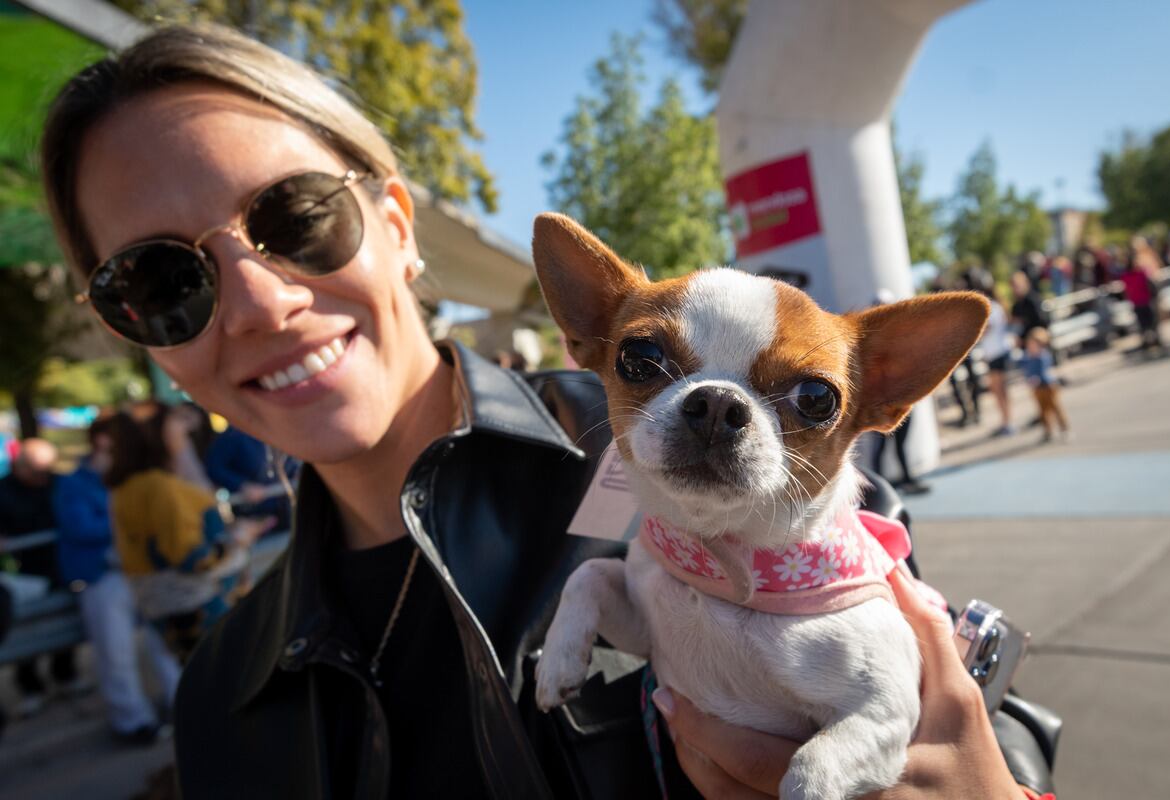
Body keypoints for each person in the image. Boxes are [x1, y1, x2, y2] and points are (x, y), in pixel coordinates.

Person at [42, 23, 1051, 799]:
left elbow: (947, 696)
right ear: (136, 335)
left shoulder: (731, 484)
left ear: (397, 224)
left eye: (297, 218)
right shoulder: (223, 696)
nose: (264, 300)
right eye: (160, 279)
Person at [52, 416, 181, 744]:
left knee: (167, 644)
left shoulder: (137, 478)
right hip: (104, 576)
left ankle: (181, 706)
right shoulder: (76, 483)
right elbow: (79, 527)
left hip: (145, 573)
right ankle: (132, 721)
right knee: (115, 652)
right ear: (102, 441)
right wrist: (130, 524)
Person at [105, 407, 271, 660]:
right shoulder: (162, 488)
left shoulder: (126, 487)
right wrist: (239, 539)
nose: (187, 438)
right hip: (200, 607)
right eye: (179, 431)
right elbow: (191, 558)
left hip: (168, 607)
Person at [0, 438, 82, 715]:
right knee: (27, 631)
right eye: (35, 472)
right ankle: (31, 686)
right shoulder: (4, 490)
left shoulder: (59, 483)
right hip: (25, 572)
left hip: (60, 566)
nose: (41, 478)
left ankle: (65, 674)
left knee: (64, 624)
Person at [976, 283, 1016, 436]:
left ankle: (1008, 422)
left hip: (999, 353)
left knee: (1001, 390)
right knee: (997, 390)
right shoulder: (993, 307)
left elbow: (986, 329)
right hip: (993, 354)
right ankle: (1005, 421)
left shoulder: (993, 307)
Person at [1020, 329, 1070, 444]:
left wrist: (1036, 378)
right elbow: (1025, 368)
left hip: (1048, 385)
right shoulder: (1028, 357)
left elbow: (1042, 370)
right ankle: (1048, 431)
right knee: (1042, 411)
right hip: (1037, 388)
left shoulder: (1043, 356)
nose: (1031, 346)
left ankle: (1064, 429)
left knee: (1055, 407)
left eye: (1034, 344)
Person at [1122, 237, 1165, 356]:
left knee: (1151, 322)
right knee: (1146, 323)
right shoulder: (1135, 271)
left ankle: (1154, 342)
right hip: (1142, 300)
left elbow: (1154, 275)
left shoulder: (1147, 259)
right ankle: (1150, 343)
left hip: (1146, 298)